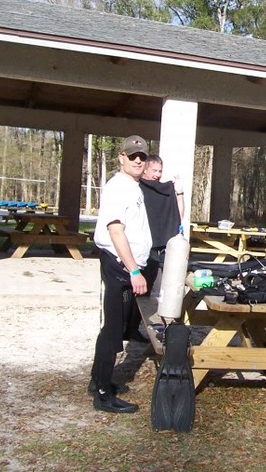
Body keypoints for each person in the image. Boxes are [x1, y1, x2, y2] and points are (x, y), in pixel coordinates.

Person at [88, 135, 152, 413]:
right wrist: (134, 270)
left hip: (125, 266)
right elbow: (116, 231)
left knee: (118, 328)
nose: (138, 160)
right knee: (113, 331)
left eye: (142, 156)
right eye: (132, 156)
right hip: (119, 266)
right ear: (121, 158)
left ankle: (97, 381)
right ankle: (102, 395)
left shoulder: (134, 186)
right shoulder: (118, 187)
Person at [138, 154, 185, 291]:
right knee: (144, 281)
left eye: (160, 171)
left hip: (163, 243)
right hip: (144, 243)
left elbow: (177, 216)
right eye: (155, 171)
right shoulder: (136, 188)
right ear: (145, 170)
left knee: (168, 281)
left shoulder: (165, 190)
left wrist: (180, 193)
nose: (157, 175)